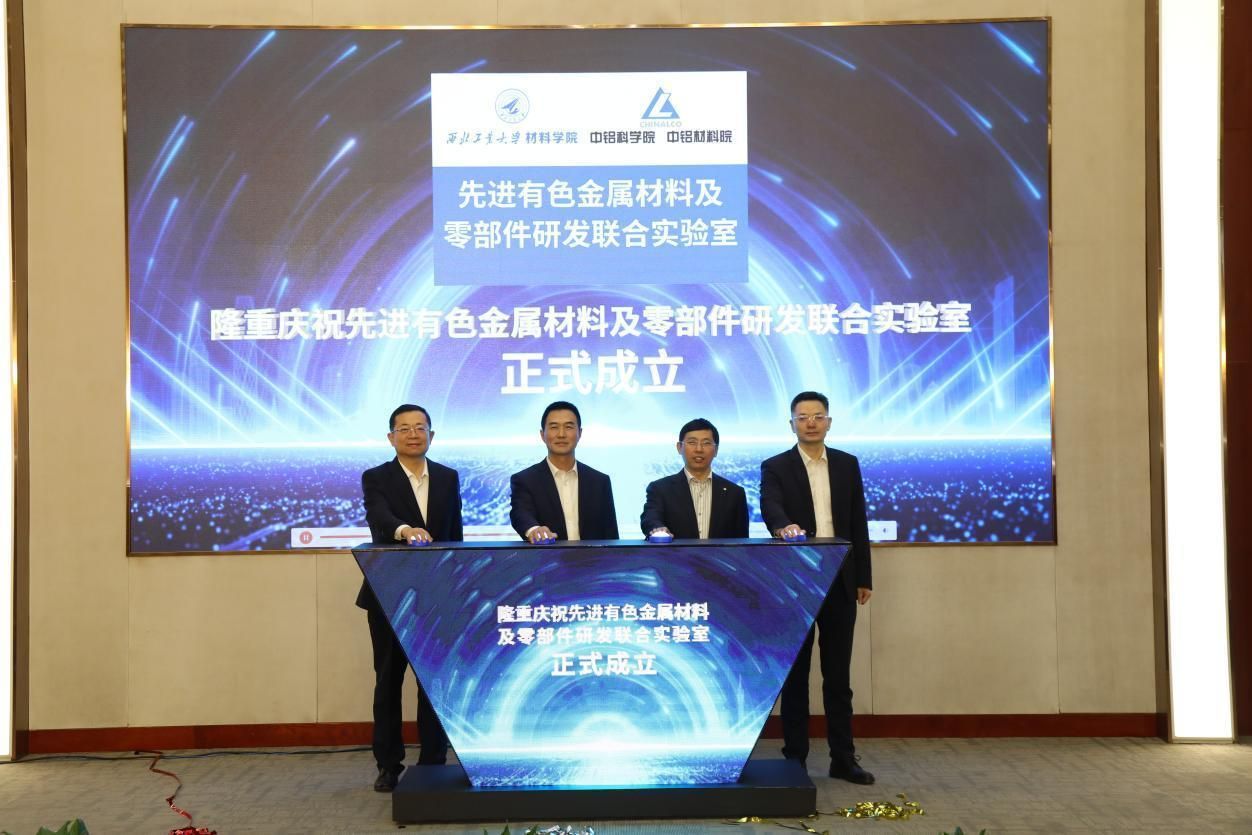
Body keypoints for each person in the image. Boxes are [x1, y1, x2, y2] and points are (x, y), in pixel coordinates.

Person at [760, 391, 874, 784]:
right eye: (803, 417)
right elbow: (771, 507)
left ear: (829, 421)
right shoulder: (776, 466)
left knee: (838, 676)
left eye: (818, 416)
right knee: (797, 676)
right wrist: (783, 526)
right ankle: (795, 757)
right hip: (797, 581)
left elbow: (857, 521)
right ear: (791, 423)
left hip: (840, 578)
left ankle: (843, 758)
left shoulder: (846, 464)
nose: (811, 422)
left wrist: (863, 576)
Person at [357, 404, 463, 792]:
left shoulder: (448, 478)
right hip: (389, 593)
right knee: (388, 681)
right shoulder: (376, 477)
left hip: (436, 597)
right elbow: (380, 517)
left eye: (420, 427)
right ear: (392, 437)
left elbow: (455, 534)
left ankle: (433, 760)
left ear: (431, 435)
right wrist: (405, 530)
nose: (413, 434)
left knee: (432, 684)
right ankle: (388, 765)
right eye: (404, 428)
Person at [509, 400, 619, 542]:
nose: (561, 434)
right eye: (554, 427)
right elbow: (520, 513)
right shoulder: (525, 480)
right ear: (542, 435)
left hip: (593, 557)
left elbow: (611, 537)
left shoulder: (599, 481)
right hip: (547, 556)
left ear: (580, 433)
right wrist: (534, 530)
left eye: (568, 427)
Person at [640, 417, 749, 540]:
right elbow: (650, 518)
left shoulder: (735, 493)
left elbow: (742, 542)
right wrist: (658, 529)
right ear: (679, 447)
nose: (699, 449)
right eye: (692, 442)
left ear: (716, 450)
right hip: (674, 553)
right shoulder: (660, 489)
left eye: (706, 443)